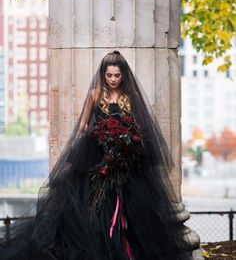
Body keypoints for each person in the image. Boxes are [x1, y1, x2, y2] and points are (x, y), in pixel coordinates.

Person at [0, 51, 194, 260]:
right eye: (109, 75)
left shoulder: (131, 97)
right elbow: (83, 125)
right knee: (96, 207)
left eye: (116, 75)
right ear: (103, 74)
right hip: (97, 155)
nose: (112, 79)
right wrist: (101, 133)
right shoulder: (94, 94)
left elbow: (140, 125)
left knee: (134, 208)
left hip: (126, 158)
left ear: (123, 75)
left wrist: (125, 136)